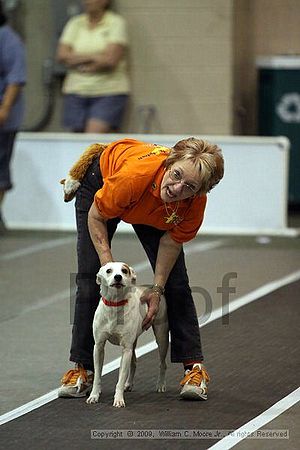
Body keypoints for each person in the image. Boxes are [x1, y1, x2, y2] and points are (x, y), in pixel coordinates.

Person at [58, 137, 224, 401]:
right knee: (91, 278)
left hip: (154, 207)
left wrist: (157, 289)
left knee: (176, 282)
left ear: (199, 193)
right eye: (176, 175)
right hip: (104, 186)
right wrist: (108, 270)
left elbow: (171, 243)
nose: (177, 187)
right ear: (169, 163)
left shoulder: (192, 205)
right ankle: (81, 368)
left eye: (189, 186)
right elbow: (97, 216)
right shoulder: (135, 176)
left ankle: (194, 369)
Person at [56, 0, 130, 133]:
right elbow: (62, 55)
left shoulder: (115, 23)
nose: (87, 1)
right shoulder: (75, 23)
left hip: (108, 91)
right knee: (74, 141)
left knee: (92, 140)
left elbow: (110, 60)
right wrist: (95, 57)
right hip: (75, 90)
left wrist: (77, 59)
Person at [0, 1, 26, 232]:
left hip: (3, 120)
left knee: (0, 168)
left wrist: (4, 110)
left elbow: (15, 78)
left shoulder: (8, 39)